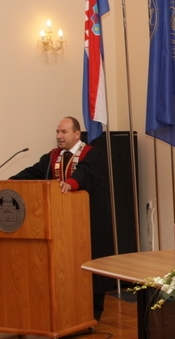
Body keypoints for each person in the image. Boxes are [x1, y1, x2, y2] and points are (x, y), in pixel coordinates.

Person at [11, 117, 116, 321]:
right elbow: (34, 172)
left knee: (92, 263)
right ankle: (67, 306)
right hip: (62, 223)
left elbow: (85, 173)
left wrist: (71, 183)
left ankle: (93, 312)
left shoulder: (93, 154)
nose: (59, 136)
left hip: (89, 221)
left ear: (77, 134)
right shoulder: (53, 157)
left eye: (64, 132)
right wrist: (11, 182)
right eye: (57, 132)